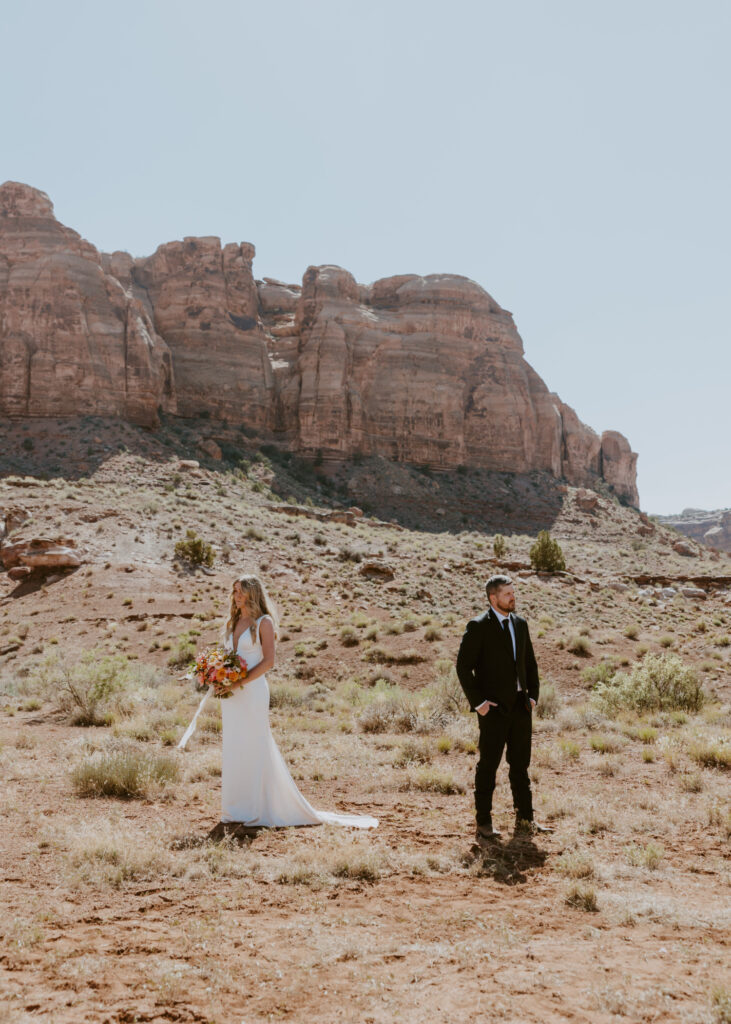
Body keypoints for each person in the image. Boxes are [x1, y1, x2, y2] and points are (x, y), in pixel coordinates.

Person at [219, 573, 377, 829]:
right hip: (231, 696)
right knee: (235, 746)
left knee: (255, 744)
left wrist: (240, 681)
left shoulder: (263, 623)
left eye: (241, 591)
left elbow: (268, 661)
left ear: (253, 593)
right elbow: (227, 657)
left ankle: (258, 807)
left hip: (252, 691)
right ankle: (236, 807)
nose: (236, 596)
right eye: (234, 590)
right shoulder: (233, 622)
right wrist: (218, 676)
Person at [456, 574, 552, 842]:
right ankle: (484, 822)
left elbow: (529, 662)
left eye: (513, 592)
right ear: (493, 598)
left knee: (520, 766)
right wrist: (479, 704)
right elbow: (463, 667)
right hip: (494, 709)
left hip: (521, 708)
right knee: (488, 765)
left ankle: (525, 820)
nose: (513, 597)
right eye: (507, 594)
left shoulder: (520, 624)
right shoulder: (478, 626)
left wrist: (533, 696)